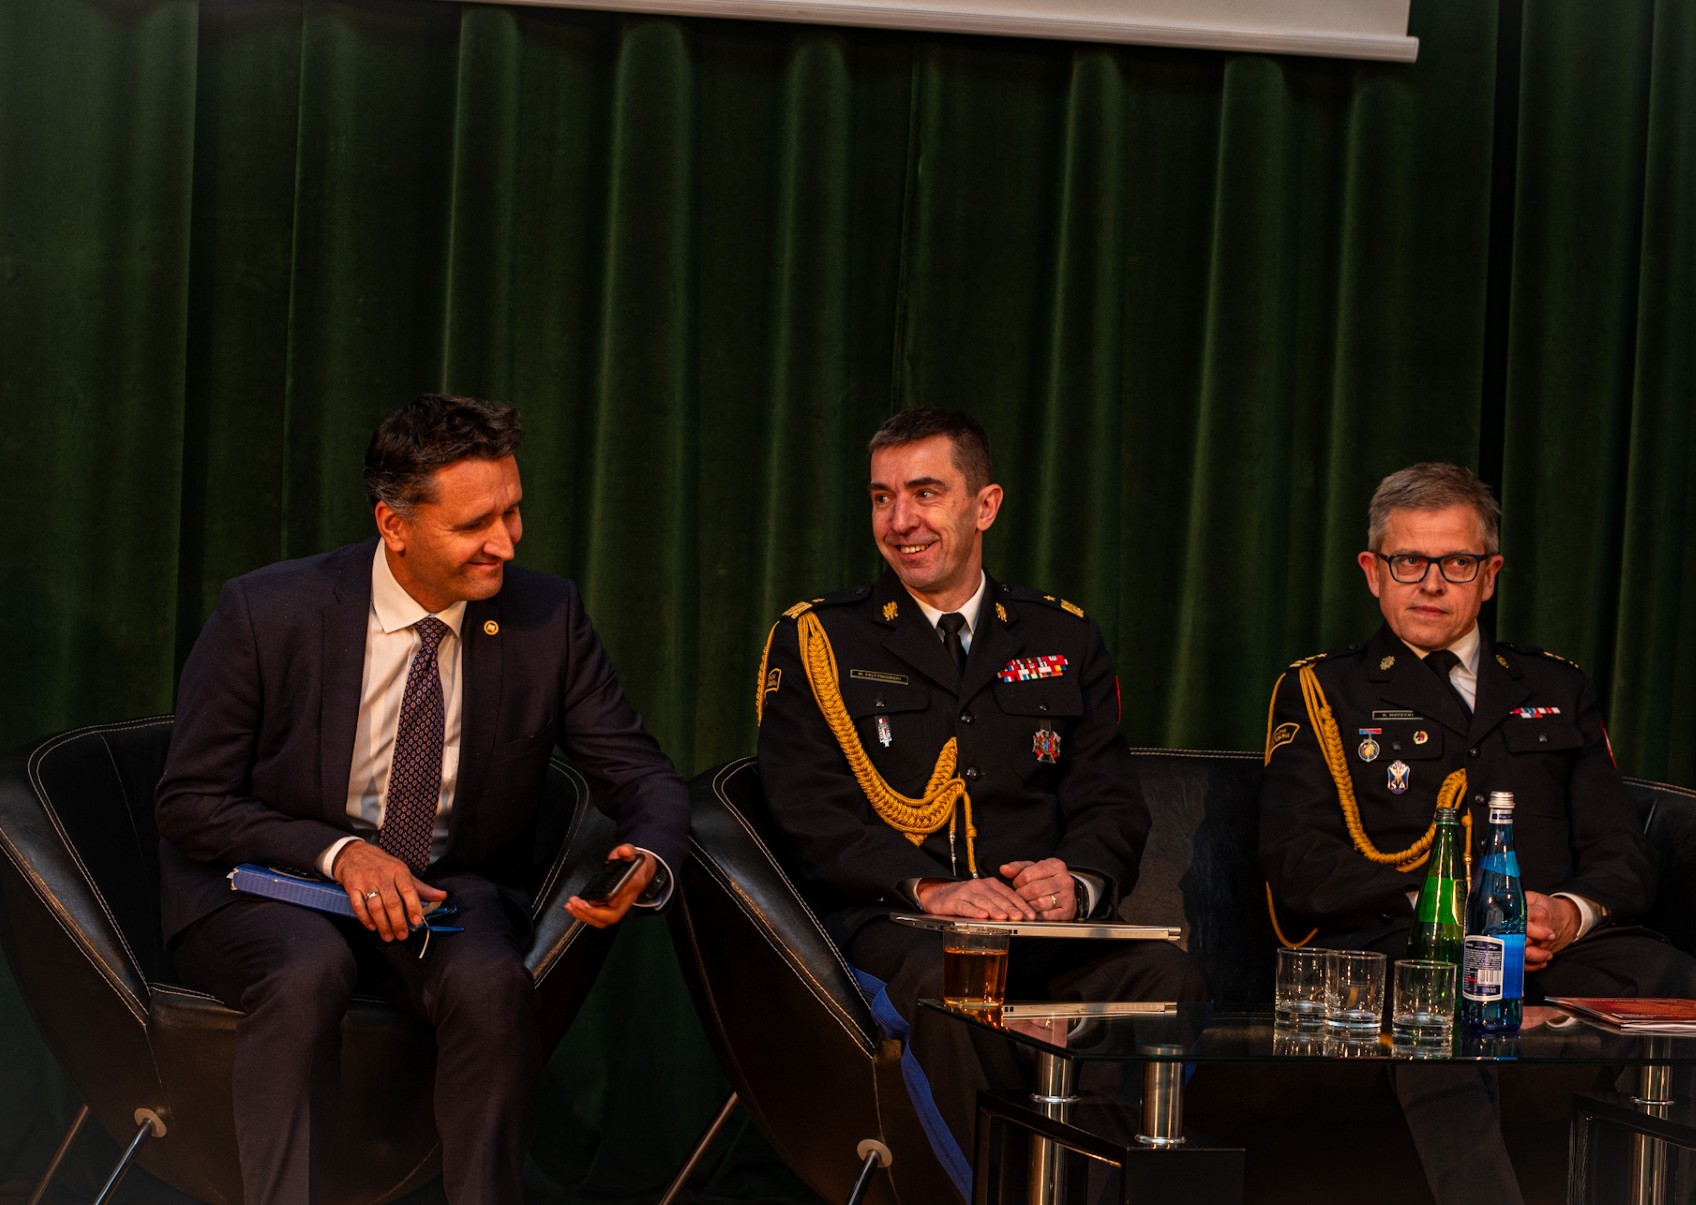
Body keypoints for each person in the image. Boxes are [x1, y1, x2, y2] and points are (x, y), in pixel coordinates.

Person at [155, 394, 690, 1205]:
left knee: (492, 986)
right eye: (476, 524)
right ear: (394, 524)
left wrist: (645, 852)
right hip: (272, 882)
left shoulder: (547, 617)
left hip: (440, 885)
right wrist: (342, 854)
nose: (506, 541)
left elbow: (642, 774)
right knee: (307, 970)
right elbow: (190, 800)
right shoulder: (268, 611)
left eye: (512, 511)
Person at [755, 406, 1207, 1200]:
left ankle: (1093, 1195)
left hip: (1041, 932)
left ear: (985, 504)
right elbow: (806, 812)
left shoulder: (1063, 636)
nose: (900, 520)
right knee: (958, 992)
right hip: (897, 929)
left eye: (925, 493)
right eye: (883, 497)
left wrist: (1076, 881)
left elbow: (1111, 801)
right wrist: (931, 887)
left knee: (1164, 977)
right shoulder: (820, 639)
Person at [1259, 462, 1696, 1205]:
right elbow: (1298, 861)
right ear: (1372, 571)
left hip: (1546, 945)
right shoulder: (1322, 689)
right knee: (1437, 997)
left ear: (1490, 574)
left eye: (1457, 563)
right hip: (1413, 940)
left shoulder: (1555, 687)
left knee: (1682, 987)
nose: (1431, 584)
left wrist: (1569, 912)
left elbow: (1622, 850)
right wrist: (1453, 907)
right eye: (1409, 561)